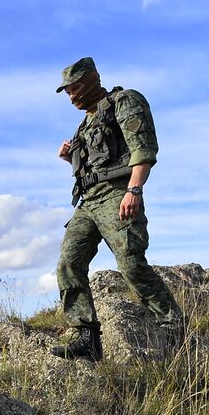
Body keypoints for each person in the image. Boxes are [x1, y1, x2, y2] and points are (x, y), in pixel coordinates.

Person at [52, 57, 181, 360]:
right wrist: (69, 157)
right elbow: (93, 165)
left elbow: (143, 148)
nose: (72, 96)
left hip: (117, 193)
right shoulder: (84, 124)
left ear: (95, 78)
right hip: (88, 200)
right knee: (68, 263)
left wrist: (134, 189)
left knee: (131, 264)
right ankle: (86, 337)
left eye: (76, 88)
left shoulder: (124, 101)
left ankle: (174, 327)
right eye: (68, 91)